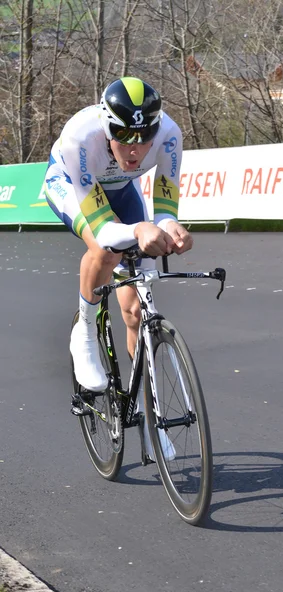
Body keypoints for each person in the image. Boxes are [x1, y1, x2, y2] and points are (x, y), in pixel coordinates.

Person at [44, 76, 193, 459]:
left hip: (122, 193)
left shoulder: (170, 134)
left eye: (144, 138)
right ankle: (86, 332)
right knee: (107, 249)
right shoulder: (81, 135)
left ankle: (147, 417)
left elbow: (164, 206)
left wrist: (169, 225)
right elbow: (107, 229)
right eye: (123, 137)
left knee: (135, 310)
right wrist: (142, 228)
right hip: (72, 186)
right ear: (107, 126)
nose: (135, 150)